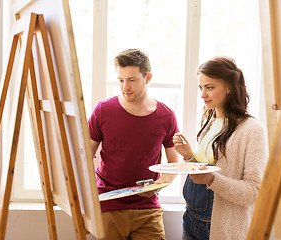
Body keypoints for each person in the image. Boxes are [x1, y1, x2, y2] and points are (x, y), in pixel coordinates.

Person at [88, 48, 179, 240]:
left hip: (147, 208)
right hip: (107, 204)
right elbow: (84, 157)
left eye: (132, 80)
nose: (125, 87)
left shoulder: (166, 116)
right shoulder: (103, 110)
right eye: (121, 80)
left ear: (148, 78)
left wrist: (160, 184)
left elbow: (174, 163)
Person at [173, 57, 268, 240]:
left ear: (229, 88)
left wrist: (212, 180)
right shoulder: (211, 122)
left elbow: (253, 192)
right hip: (190, 219)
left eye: (209, 87)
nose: (202, 95)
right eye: (201, 88)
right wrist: (189, 156)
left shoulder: (252, 130)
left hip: (216, 225)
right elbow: (205, 170)